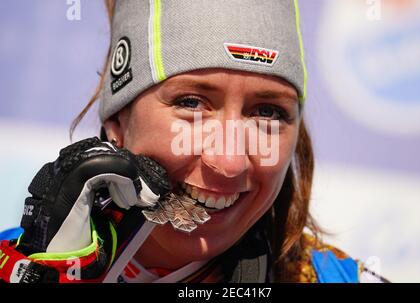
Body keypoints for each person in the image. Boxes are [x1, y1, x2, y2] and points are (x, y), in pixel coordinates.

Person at [0, 0, 386, 283]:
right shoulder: (16, 265)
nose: (230, 162)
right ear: (118, 119)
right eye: (191, 103)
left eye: (267, 112)